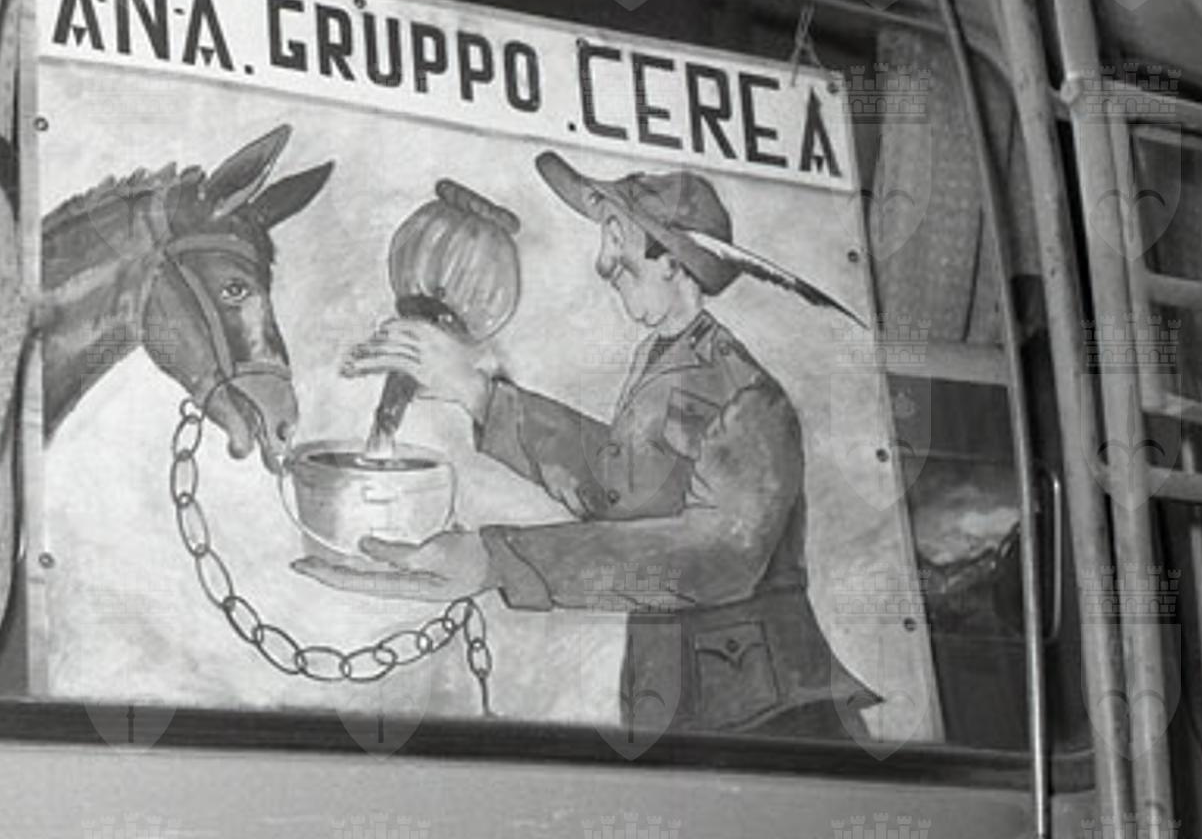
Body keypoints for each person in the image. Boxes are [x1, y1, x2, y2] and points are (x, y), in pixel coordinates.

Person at [319, 151, 882, 739]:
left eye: (618, 240)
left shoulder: (748, 395)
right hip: (674, 714)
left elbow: (720, 556)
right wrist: (479, 396)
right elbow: (617, 491)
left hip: (772, 716)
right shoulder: (662, 363)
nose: (603, 261)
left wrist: (499, 560)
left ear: (674, 262)